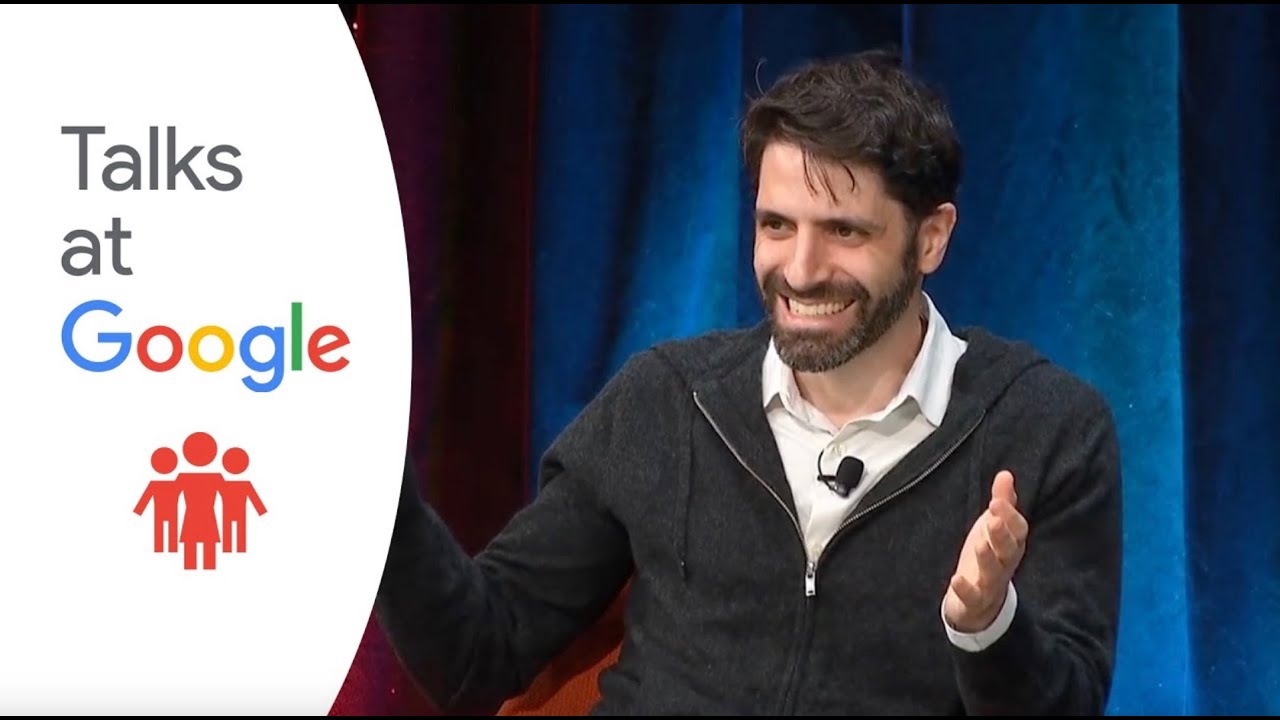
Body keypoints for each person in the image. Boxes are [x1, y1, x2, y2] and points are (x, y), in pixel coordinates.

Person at [375, 48, 1123, 716]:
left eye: (844, 231)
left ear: (931, 238)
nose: (800, 270)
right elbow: (480, 652)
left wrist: (987, 625)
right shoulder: (667, 399)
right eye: (776, 226)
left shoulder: (1045, 429)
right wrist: (375, 493)